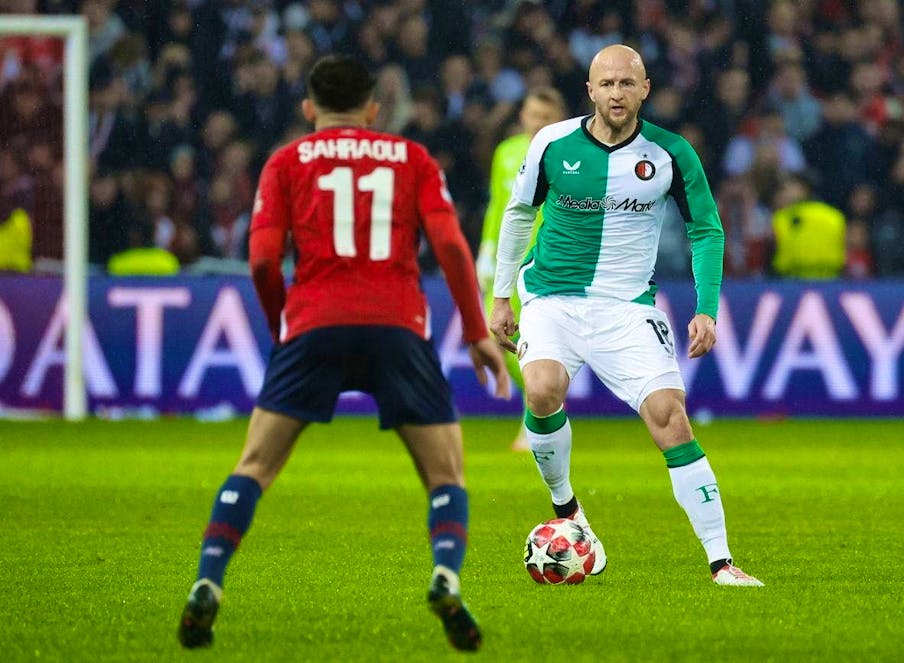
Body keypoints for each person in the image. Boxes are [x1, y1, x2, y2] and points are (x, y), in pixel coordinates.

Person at [177, 55, 510, 653]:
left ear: (309, 108)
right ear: (374, 109)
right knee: (445, 473)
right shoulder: (412, 159)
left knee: (254, 465)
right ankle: (445, 573)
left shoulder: (284, 162)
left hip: (314, 323)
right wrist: (475, 326)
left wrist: (284, 324)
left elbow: (259, 260)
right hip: (397, 326)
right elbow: (453, 248)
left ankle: (209, 577)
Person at [489, 44, 763, 587]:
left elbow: (706, 229)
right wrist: (502, 297)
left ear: (645, 90)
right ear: (590, 91)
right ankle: (568, 512)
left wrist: (707, 308)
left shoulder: (671, 153)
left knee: (670, 418)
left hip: (627, 307)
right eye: (606, 84)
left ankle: (721, 562)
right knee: (541, 389)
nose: (616, 93)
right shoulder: (552, 143)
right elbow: (520, 213)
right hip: (552, 297)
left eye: (626, 83)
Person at [477, 87, 568, 450]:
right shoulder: (506, 153)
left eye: (545, 117)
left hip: (543, 265)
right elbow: (498, 205)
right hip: (505, 263)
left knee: (528, 342)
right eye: (532, 114)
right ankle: (544, 402)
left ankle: (539, 412)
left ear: (558, 120)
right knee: (491, 337)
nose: (537, 122)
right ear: (522, 116)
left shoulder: (567, 155)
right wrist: (486, 248)